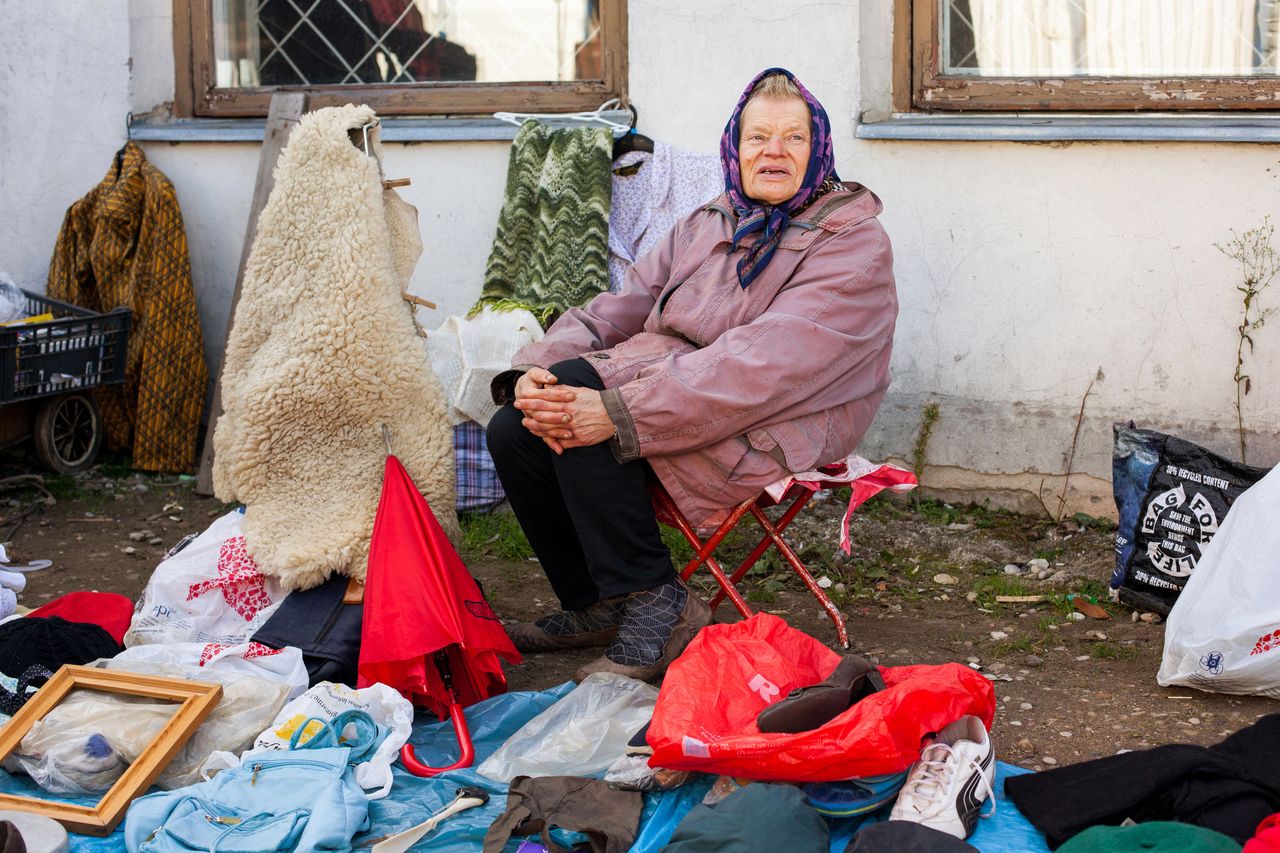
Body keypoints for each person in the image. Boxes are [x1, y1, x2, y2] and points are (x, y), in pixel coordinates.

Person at [486, 68, 898, 683]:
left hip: (783, 410)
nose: (774, 153)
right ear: (735, 147)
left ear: (820, 151)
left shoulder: (852, 246)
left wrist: (620, 411)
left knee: (589, 417)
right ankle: (599, 602)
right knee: (515, 427)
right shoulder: (712, 219)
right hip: (675, 381)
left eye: (793, 139)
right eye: (758, 138)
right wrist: (532, 371)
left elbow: (763, 366)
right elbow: (621, 306)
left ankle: (659, 602)